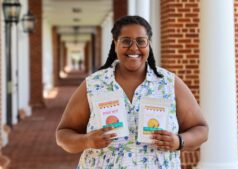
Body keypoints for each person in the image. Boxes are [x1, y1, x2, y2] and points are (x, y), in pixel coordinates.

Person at [56, 15, 208, 169]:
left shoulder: (169, 83)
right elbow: (63, 134)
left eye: (141, 41)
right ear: (115, 44)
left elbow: (201, 129)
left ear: (148, 44)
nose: (134, 48)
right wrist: (87, 141)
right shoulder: (94, 85)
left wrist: (179, 141)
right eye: (126, 41)